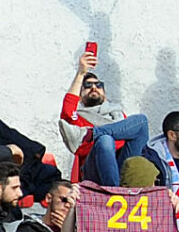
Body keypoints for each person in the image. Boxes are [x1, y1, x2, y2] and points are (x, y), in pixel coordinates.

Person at [57, 50, 148, 189]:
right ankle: (113, 192)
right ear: (80, 96)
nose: (94, 87)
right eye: (87, 86)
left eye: (99, 85)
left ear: (104, 94)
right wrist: (81, 73)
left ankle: (93, 134)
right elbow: (69, 105)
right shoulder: (78, 117)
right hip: (94, 173)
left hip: (121, 164)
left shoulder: (116, 115)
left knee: (141, 121)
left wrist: (95, 134)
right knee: (105, 139)